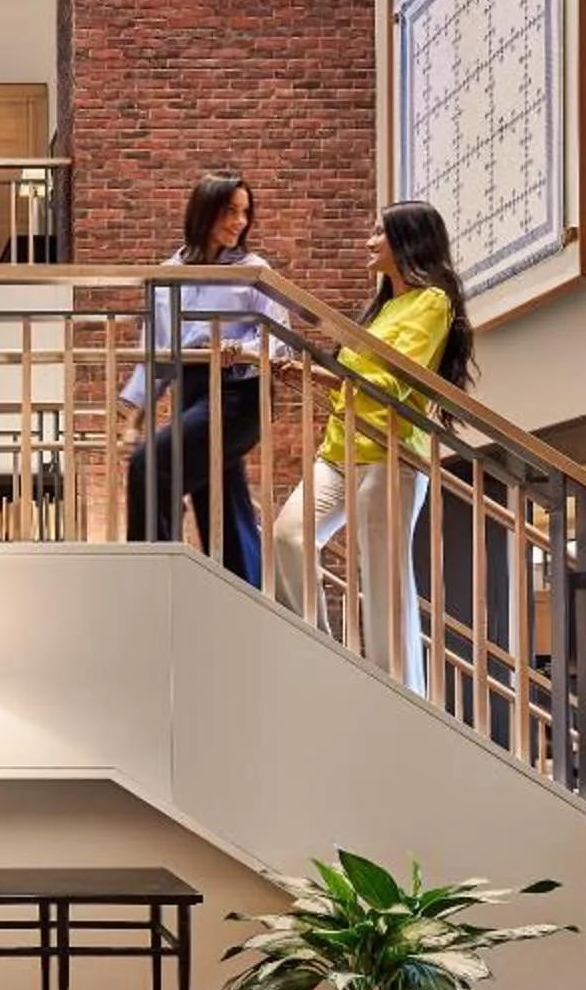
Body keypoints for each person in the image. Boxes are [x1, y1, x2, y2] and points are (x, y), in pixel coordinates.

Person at [272, 200, 477, 694]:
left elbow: (392, 378)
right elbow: (361, 379)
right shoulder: (382, 307)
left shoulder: (433, 302)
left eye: (379, 233)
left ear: (408, 241)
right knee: (288, 537)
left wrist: (328, 366)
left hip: (390, 454)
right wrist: (311, 371)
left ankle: (400, 695)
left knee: (383, 575)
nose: (369, 242)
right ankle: (315, 656)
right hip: (339, 450)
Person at [119, 171, 278, 587]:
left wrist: (240, 348)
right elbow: (158, 350)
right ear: (205, 210)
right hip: (190, 392)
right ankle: (248, 598)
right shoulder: (170, 272)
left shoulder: (254, 271)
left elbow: (278, 340)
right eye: (230, 211)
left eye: (245, 213)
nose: (239, 222)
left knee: (150, 466)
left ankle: (153, 579)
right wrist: (134, 420)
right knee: (223, 499)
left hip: (238, 394)